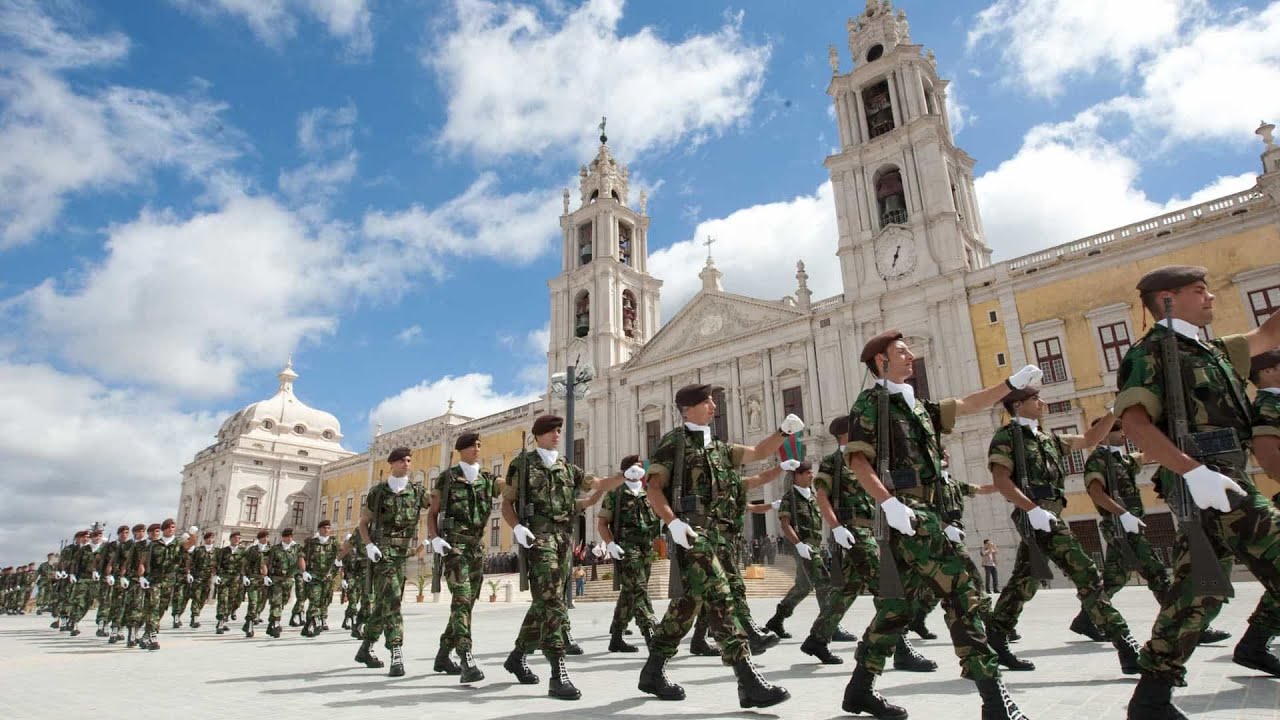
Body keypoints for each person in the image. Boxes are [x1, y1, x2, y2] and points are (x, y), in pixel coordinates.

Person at [840, 330, 1042, 720]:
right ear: (881, 362)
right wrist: (889, 503)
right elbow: (858, 461)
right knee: (963, 592)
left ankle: (859, 690)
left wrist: (1010, 385)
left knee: (897, 608)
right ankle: (995, 701)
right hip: (909, 512)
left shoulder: (917, 406)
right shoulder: (871, 403)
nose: (911, 355)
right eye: (901, 352)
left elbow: (966, 404)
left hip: (927, 513)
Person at [1117, 266, 1280, 718]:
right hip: (1205, 481)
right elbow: (1134, 423)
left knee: (1198, 589)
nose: (1210, 297)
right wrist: (1192, 473)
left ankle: (1150, 697)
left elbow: (1269, 333)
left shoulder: (1214, 349)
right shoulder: (1149, 354)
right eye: (1198, 291)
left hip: (1225, 477)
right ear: (1168, 299)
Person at [637, 383, 799, 709]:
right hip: (692, 534)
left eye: (712, 400)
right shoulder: (673, 443)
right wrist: (673, 522)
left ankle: (652, 672)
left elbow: (757, 452)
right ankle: (747, 679)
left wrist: (783, 432)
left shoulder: (720, 448)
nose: (713, 405)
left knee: (685, 608)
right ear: (687, 409)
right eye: (706, 401)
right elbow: (654, 487)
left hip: (720, 537)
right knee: (722, 598)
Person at [985, 390, 1141, 674]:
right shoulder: (1007, 437)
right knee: (1085, 570)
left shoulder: (1049, 438)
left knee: (1025, 580)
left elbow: (1090, 439)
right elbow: (1001, 480)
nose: (1042, 403)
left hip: (1051, 512)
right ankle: (1124, 643)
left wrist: (1114, 412)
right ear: (1018, 404)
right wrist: (1030, 509)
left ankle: (996, 633)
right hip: (1033, 513)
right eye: (1035, 399)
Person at [499, 415, 624, 700]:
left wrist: (623, 477)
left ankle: (517, 656)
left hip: (564, 540)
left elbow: (597, 483)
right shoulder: (523, 464)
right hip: (538, 538)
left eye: (558, 431)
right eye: (551, 431)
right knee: (554, 604)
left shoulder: (567, 467)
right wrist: (517, 527)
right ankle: (558, 673)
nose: (557, 435)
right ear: (538, 435)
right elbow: (507, 502)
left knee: (545, 602)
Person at [1078, 416, 1232, 646]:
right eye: (1120, 431)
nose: (1124, 435)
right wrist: (1123, 514)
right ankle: (1186, 625)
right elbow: (1096, 492)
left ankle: (1087, 618)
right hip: (1121, 526)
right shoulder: (1098, 459)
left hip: (1129, 525)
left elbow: (1147, 455)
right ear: (1107, 432)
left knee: (1115, 578)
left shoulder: (1121, 459)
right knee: (1157, 573)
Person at [356, 446, 430, 677]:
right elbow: (362, 523)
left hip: (403, 554)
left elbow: (437, 506)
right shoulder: (378, 492)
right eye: (402, 461)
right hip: (384, 553)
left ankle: (366, 647)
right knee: (394, 602)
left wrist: (431, 539)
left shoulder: (417, 491)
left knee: (385, 603)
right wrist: (369, 545)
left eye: (409, 460)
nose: (407, 464)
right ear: (392, 464)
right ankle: (396, 651)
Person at [428, 432, 495, 683]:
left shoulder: (487, 478)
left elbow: (510, 492)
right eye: (472, 446)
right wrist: (434, 537)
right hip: (454, 547)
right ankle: (466, 657)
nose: (477, 448)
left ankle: (443, 655)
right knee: (462, 598)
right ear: (461, 450)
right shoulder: (447, 478)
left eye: (479, 445)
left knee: (466, 604)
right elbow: (432, 512)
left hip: (476, 549)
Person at [598, 454, 660, 653]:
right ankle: (650, 632)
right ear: (625, 470)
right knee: (639, 588)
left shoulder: (646, 493)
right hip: (627, 548)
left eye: (640, 466)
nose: (639, 468)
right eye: (634, 466)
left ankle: (616, 637)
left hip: (646, 548)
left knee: (629, 593)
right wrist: (610, 544)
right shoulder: (615, 494)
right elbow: (602, 524)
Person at [299, 520, 340, 638]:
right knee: (315, 600)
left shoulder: (334, 543)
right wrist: (304, 572)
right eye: (325, 528)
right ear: (320, 529)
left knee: (324, 601)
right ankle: (316, 622)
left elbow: (340, 556)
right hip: (314, 577)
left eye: (328, 528)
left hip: (328, 578)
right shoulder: (311, 543)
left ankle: (307, 626)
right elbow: (302, 557)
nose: (327, 530)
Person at [265, 528, 301, 638]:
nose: (290, 538)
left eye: (291, 536)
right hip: (276, 579)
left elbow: (300, 561)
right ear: (283, 537)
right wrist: (266, 576)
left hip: (289, 580)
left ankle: (272, 622)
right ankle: (276, 623)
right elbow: (268, 563)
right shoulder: (275, 549)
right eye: (288, 536)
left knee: (283, 602)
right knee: (276, 601)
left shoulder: (296, 549)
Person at [240, 529, 270, 638]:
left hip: (265, 580)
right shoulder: (252, 550)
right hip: (253, 578)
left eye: (266, 537)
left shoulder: (271, 550)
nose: (265, 539)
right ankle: (250, 624)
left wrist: (269, 577)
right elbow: (244, 564)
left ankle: (254, 617)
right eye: (263, 537)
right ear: (259, 539)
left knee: (261, 602)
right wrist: (244, 576)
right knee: (253, 602)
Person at [213, 531, 244, 635]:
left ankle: (225, 619)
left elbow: (245, 565)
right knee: (223, 599)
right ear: (230, 539)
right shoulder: (223, 551)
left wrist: (244, 576)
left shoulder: (242, 552)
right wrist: (216, 575)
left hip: (235, 579)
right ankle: (220, 621)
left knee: (232, 600)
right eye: (235, 538)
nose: (237, 539)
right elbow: (217, 563)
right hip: (224, 578)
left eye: (238, 538)